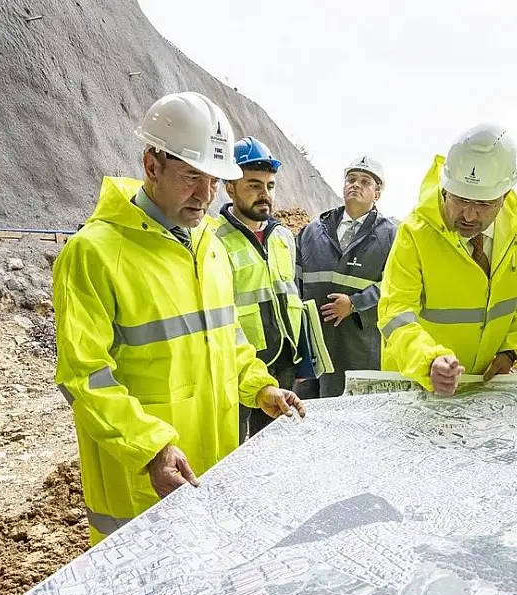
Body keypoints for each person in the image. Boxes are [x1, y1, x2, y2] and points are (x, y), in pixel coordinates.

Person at [53, 92, 305, 545]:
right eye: (192, 176)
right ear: (152, 165)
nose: (205, 196)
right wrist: (150, 449)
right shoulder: (93, 252)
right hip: (144, 483)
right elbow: (84, 375)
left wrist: (260, 386)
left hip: (212, 466)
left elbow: (226, 337)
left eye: (214, 181)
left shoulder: (208, 243)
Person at [377, 124, 517, 395]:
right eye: (459, 200)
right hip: (417, 384)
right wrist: (429, 360)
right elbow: (395, 313)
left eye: (483, 204)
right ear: (446, 188)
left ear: (504, 196)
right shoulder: (414, 233)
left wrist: (512, 350)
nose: (469, 216)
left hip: (483, 385)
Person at [214, 136, 310, 442]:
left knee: (277, 445)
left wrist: (303, 359)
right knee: (236, 447)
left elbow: (293, 295)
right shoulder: (214, 240)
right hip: (238, 365)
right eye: (254, 184)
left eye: (269, 186)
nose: (264, 194)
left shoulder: (283, 236)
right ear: (230, 187)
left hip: (283, 361)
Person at [297, 155, 398, 397]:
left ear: (377, 194)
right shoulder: (312, 231)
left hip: (359, 345)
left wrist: (355, 303)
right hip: (315, 345)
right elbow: (295, 281)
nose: (356, 185)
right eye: (351, 179)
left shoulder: (390, 236)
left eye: (365, 182)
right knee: (310, 415)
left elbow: (397, 286)